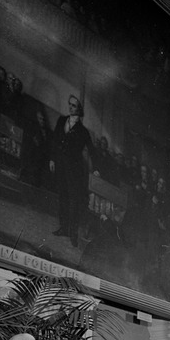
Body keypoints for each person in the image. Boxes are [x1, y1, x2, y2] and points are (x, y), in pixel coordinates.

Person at [49, 94, 98, 247]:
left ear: (79, 109)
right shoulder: (61, 121)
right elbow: (55, 140)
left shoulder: (83, 131)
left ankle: (73, 234)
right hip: (61, 166)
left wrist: (96, 169)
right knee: (63, 197)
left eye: (74, 105)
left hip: (74, 169)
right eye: (69, 104)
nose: (70, 107)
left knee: (73, 201)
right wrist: (52, 159)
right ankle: (63, 228)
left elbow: (91, 149)